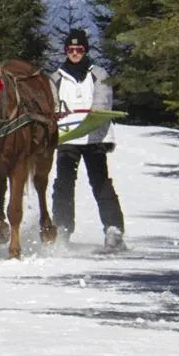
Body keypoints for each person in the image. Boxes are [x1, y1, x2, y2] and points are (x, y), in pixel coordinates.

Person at [50, 29, 126, 251]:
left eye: (79, 49)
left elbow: (103, 100)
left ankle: (113, 228)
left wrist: (95, 114)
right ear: (66, 51)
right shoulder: (55, 78)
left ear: (85, 50)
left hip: (94, 137)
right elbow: (52, 103)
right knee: (63, 183)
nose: (75, 53)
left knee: (100, 182)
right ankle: (62, 227)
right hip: (68, 136)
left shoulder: (99, 74)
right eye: (71, 49)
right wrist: (56, 113)